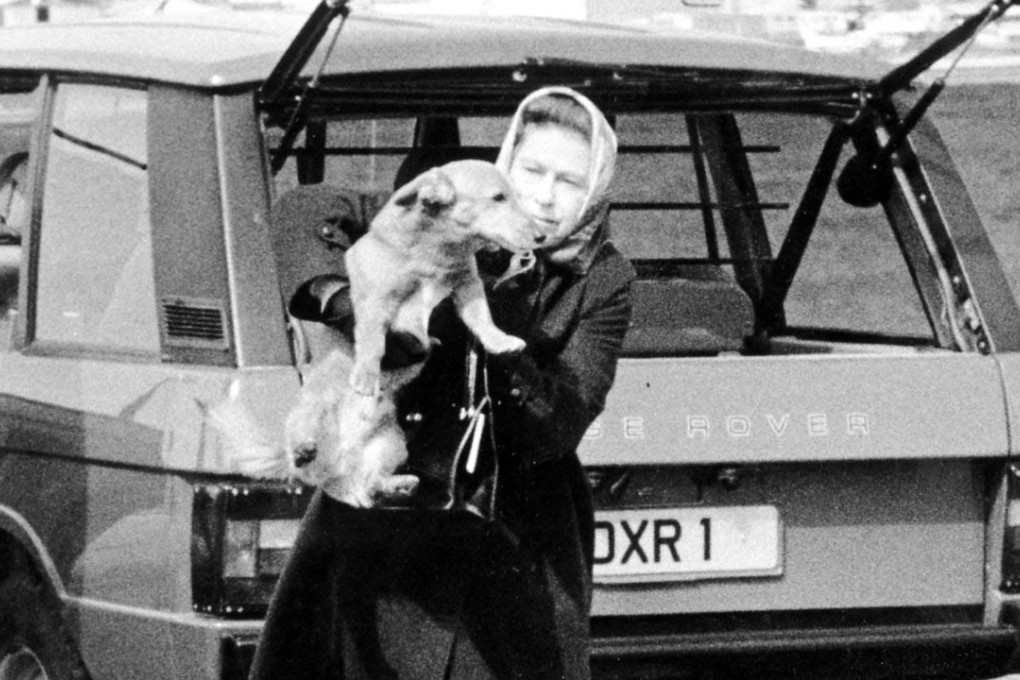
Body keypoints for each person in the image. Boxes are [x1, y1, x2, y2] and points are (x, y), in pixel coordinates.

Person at [249, 86, 635, 680]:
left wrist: (498, 335)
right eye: (532, 170)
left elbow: (559, 425)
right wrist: (345, 301)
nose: (544, 196)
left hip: (517, 544)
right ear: (505, 166)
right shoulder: (447, 211)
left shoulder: (604, 278)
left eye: (570, 182)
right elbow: (302, 211)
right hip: (388, 519)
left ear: (595, 192)